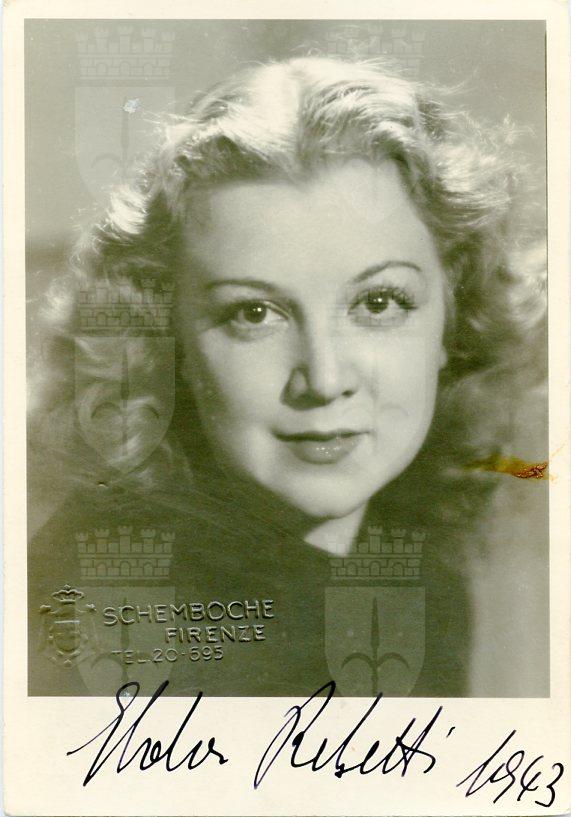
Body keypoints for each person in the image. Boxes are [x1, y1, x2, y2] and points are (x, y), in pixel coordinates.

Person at [28, 56, 547, 698]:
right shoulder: (105, 616)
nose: (324, 380)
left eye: (378, 303)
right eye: (254, 314)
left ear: (454, 315)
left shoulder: (415, 570)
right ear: (165, 340)